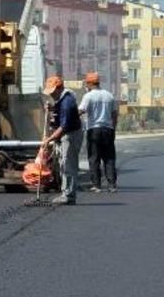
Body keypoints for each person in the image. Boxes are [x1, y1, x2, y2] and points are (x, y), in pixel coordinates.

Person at [41, 76, 83, 205]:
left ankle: (69, 195)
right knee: (63, 165)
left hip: (70, 135)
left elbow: (64, 126)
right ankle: (66, 193)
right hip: (65, 136)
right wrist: (52, 108)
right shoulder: (61, 99)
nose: (51, 95)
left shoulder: (67, 102)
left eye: (52, 92)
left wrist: (49, 139)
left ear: (59, 88)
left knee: (68, 165)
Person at [79, 72, 118, 193]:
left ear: (89, 83)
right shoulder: (109, 95)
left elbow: (80, 110)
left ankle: (97, 185)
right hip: (108, 129)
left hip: (94, 130)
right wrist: (113, 128)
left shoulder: (89, 96)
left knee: (94, 157)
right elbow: (114, 114)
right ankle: (112, 185)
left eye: (87, 83)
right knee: (109, 158)